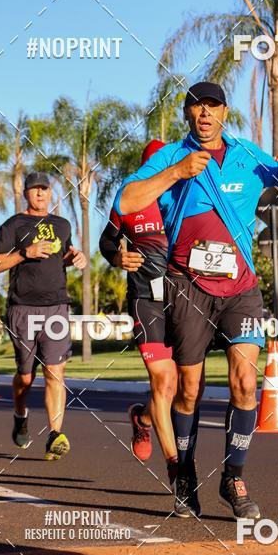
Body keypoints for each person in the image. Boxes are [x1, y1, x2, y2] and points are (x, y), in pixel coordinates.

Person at [115, 81, 278, 519]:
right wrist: (176, 173)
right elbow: (126, 200)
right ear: (187, 114)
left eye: (213, 107)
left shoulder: (246, 154)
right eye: (197, 107)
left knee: (245, 381)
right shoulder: (170, 156)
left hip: (241, 287)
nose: (205, 114)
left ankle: (233, 477)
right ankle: (184, 473)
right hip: (188, 287)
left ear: (224, 113)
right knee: (188, 389)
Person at [0, 172, 86, 460]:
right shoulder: (13, 225)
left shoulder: (62, 225)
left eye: (45, 189)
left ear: (51, 192)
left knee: (55, 372)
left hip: (56, 308)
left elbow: (62, 258)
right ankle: (20, 415)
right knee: (26, 377)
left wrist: (75, 258)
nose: (41, 193)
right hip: (22, 309)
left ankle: (55, 434)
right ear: (26, 194)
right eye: (35, 189)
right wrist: (25, 253)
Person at [99, 139, 179, 479]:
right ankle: (177, 468)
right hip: (146, 298)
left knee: (180, 387)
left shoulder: (184, 196)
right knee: (163, 380)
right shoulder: (130, 199)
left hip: (185, 300)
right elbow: (106, 240)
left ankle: (142, 418)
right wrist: (117, 257)